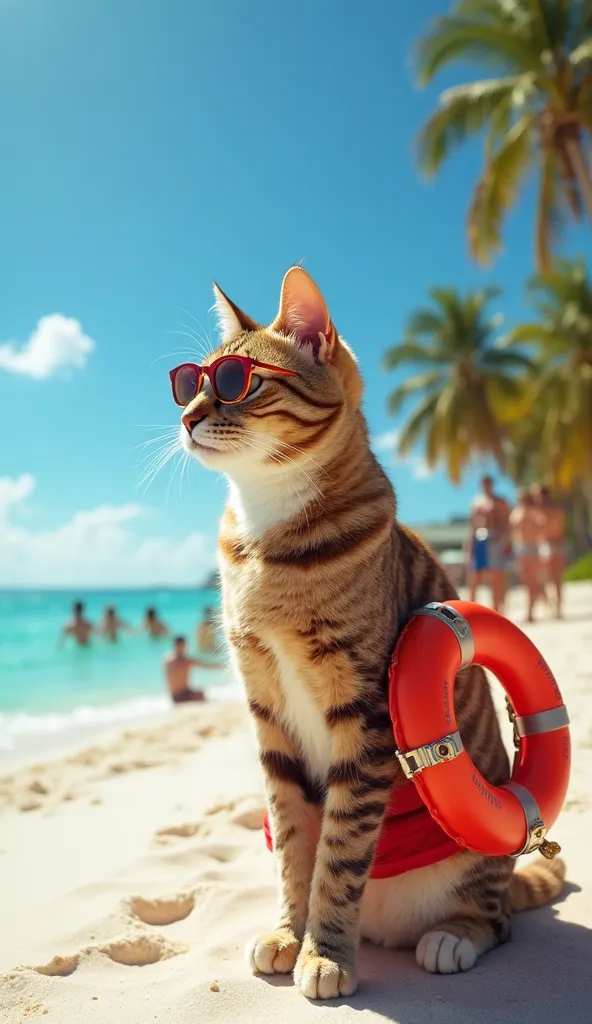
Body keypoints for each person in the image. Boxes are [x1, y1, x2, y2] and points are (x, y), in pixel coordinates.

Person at [467, 475, 512, 612]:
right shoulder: (476, 502)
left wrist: (505, 540)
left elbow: (507, 523)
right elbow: (472, 525)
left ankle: (498, 608)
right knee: (475, 576)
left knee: (496, 576)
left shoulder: (499, 501)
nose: (486, 485)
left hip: (494, 539)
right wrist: (470, 546)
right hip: (479, 538)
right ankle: (471, 610)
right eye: (484, 483)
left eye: (489, 483)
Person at [509, 489, 544, 622]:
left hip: (532, 548)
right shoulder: (515, 512)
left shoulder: (532, 511)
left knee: (532, 581)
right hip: (520, 549)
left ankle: (530, 612)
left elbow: (541, 526)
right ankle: (539, 599)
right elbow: (512, 532)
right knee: (525, 581)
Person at [533, 484, 566, 619]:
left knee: (556, 578)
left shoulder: (554, 510)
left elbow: (560, 530)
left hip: (555, 545)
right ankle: (550, 605)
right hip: (541, 546)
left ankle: (558, 607)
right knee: (542, 579)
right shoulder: (536, 512)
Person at [163, 635, 221, 703]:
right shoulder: (184, 660)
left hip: (174, 695)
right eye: (182, 645)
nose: (183, 647)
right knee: (202, 694)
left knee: (202, 692)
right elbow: (204, 665)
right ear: (178, 645)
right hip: (180, 695)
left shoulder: (167, 659)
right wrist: (220, 666)